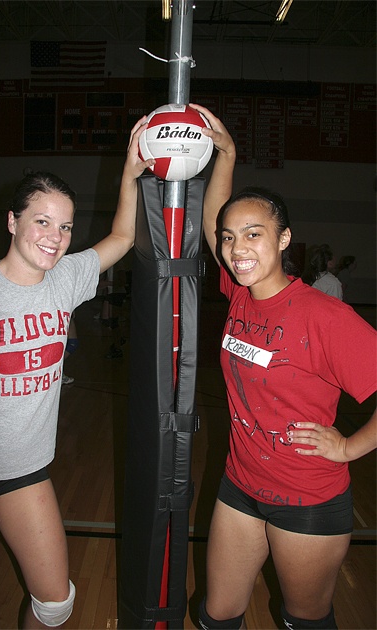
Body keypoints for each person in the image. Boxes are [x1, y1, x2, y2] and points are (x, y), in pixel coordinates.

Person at [0, 118, 154, 629]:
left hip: (23, 467)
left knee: (55, 604)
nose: (56, 237)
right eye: (42, 221)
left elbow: (124, 235)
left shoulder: (66, 279)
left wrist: (130, 172)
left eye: (65, 225)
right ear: (12, 221)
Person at [189, 104, 377, 630]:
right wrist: (225, 153)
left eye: (254, 234)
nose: (236, 247)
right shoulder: (239, 293)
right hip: (241, 484)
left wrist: (348, 446)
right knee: (216, 614)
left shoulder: (326, 317)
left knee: (304, 619)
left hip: (308, 499)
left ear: (284, 239)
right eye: (230, 238)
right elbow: (213, 216)